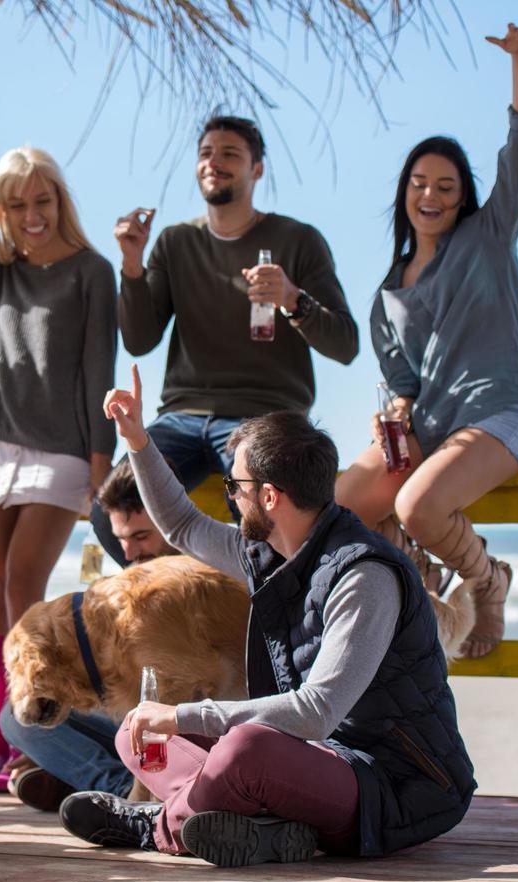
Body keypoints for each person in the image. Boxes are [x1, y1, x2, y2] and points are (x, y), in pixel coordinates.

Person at [57, 368, 475, 868]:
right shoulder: (269, 553)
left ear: (270, 496)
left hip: (394, 787)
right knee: (138, 732)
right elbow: (182, 523)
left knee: (245, 749)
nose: (230, 494)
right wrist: (138, 440)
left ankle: (159, 826)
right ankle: (268, 829)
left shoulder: (363, 577)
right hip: (316, 761)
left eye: (235, 484)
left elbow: (315, 713)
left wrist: (184, 715)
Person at [335, 24, 518, 658]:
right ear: (404, 193)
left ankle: (488, 582)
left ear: (463, 200)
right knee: (342, 507)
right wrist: (392, 419)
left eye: (446, 186)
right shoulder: (385, 294)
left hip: (501, 414)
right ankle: (420, 584)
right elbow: (403, 386)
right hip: (428, 428)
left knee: (419, 505)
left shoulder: (489, 238)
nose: (430, 194)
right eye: (419, 183)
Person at [0, 84, 118, 792]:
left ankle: (31, 736)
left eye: (41, 201)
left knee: (24, 588)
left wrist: (100, 462)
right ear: (3, 211)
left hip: (61, 452)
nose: (30, 215)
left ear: (58, 201)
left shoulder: (92, 272)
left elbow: (96, 366)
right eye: (16, 204)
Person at [89, 114, 359, 563]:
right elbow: (138, 340)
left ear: (257, 169)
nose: (214, 162)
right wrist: (132, 266)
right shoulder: (175, 242)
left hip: (263, 416)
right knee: (110, 512)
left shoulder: (299, 240)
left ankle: (256, 625)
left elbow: (346, 345)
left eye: (230, 153)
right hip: (181, 417)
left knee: (259, 514)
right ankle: (174, 614)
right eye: (205, 154)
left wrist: (294, 300)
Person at [0, 458, 179, 811]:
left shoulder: (203, 575)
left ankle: (111, 789)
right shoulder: (132, 578)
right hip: (135, 725)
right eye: (120, 539)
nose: (129, 554)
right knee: (17, 719)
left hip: (186, 724)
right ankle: (115, 786)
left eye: (141, 537)